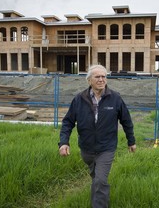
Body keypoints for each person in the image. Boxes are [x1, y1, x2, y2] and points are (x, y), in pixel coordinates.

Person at [58, 64, 136, 208]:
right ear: (89, 80)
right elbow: (68, 122)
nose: (101, 79)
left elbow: (126, 121)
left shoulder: (115, 98)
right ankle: (97, 198)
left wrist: (131, 141)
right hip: (86, 149)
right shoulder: (79, 99)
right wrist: (64, 142)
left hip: (106, 148)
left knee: (100, 180)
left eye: (104, 76)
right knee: (96, 178)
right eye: (97, 77)